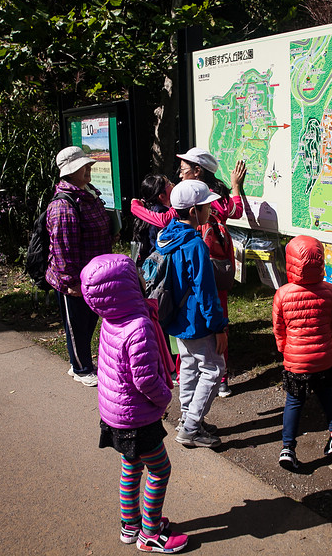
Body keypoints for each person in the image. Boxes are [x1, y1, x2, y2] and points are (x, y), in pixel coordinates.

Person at [80, 253, 188, 553]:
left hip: (116, 416)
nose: (142, 276)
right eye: (136, 274)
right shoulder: (139, 326)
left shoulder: (111, 320)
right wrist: (165, 397)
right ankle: (150, 533)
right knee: (160, 470)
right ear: (127, 286)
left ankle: (130, 526)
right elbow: (144, 379)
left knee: (131, 467)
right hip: (137, 419)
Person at [131, 148, 246, 397]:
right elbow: (235, 211)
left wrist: (135, 207)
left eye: (183, 172)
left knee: (188, 312)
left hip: (194, 262)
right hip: (218, 265)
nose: (180, 177)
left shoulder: (189, 203)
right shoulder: (218, 198)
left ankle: (187, 373)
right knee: (215, 312)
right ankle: (218, 376)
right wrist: (236, 186)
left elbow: (163, 221)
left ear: (197, 172)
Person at [156, 180, 229, 448]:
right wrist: (218, 327)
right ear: (193, 211)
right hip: (197, 321)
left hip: (175, 318)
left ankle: (187, 416)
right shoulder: (195, 246)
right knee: (213, 369)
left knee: (187, 366)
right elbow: (205, 291)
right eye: (207, 206)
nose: (211, 209)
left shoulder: (167, 236)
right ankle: (190, 428)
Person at [272, 235, 332, 470]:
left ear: (291, 261)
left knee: (294, 402)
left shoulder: (283, 294)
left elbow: (279, 328)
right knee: (327, 394)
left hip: (296, 359)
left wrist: (284, 349)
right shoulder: (330, 290)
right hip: (325, 355)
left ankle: (288, 448)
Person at [46, 146, 113, 387]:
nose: (88, 169)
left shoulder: (88, 192)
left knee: (89, 321)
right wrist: (70, 282)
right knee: (77, 325)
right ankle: (80, 368)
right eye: (83, 167)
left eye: (88, 165)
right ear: (70, 172)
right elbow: (62, 248)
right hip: (75, 278)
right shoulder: (63, 205)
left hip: (92, 274)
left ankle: (81, 361)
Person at [132, 173, 173, 267]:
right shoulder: (162, 214)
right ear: (162, 196)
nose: (173, 185)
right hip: (158, 265)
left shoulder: (146, 211)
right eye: (169, 183)